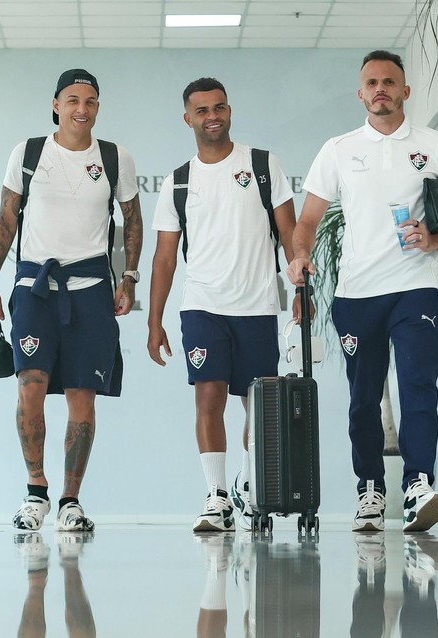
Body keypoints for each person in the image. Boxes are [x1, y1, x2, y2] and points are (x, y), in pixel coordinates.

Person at [288, 50, 438, 533]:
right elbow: (307, 221)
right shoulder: (339, 149)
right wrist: (299, 256)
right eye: (372, 82)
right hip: (356, 295)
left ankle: (417, 486)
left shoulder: (436, 145)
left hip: (415, 287)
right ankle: (370, 490)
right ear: (360, 93)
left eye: (390, 82)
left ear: (405, 91)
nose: (381, 89)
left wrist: (435, 239)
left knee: (418, 387)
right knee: (363, 397)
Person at [0, 69, 143, 533]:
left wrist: (129, 277)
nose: (82, 109)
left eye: (90, 101)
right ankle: (36, 492)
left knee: (81, 394)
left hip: (91, 289)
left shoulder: (115, 158)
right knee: (29, 386)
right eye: (73, 100)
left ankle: (71, 501)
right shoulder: (29, 153)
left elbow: (132, 220)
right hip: (34, 287)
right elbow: (5, 220)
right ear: (56, 104)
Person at [148, 78, 298, 533]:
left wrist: (302, 291)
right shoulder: (178, 181)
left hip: (256, 304)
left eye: (219, 108)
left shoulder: (262, 164)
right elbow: (164, 257)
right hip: (203, 306)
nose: (212, 116)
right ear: (187, 118)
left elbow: (290, 234)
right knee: (208, 397)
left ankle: (253, 488)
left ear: (229, 111)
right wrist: (154, 321)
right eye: (202, 110)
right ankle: (216, 498)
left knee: (257, 405)